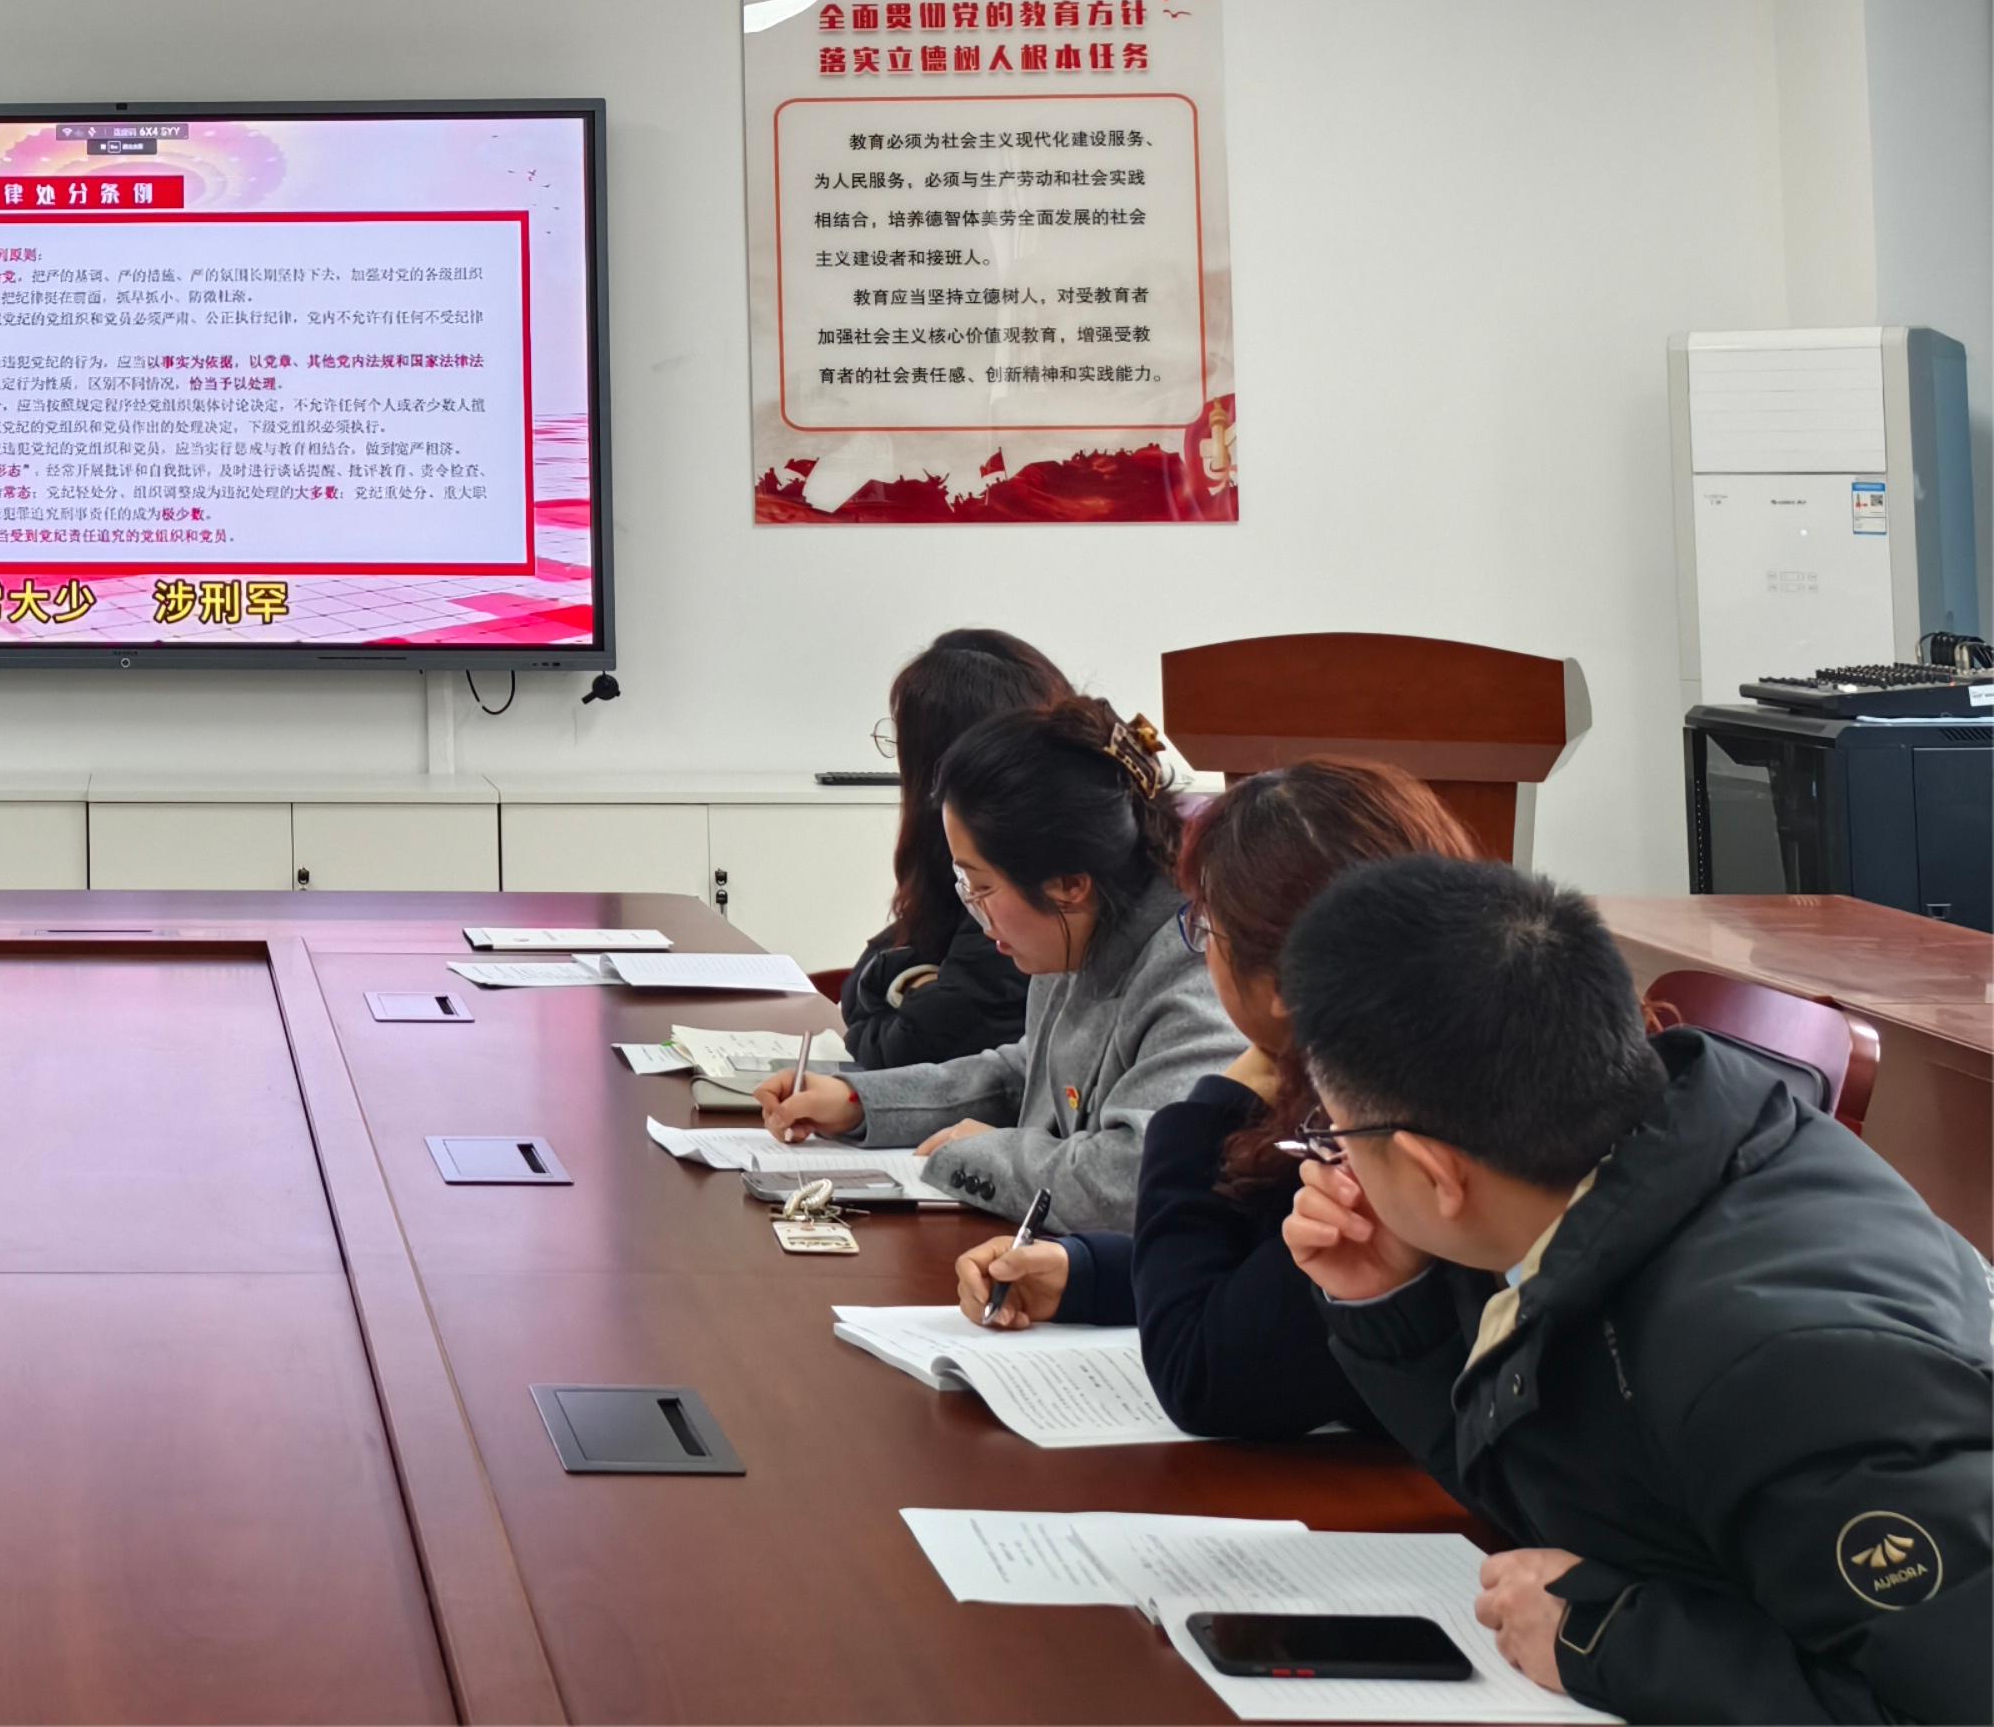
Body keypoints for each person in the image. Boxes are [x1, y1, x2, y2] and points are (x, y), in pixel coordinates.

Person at [1278, 856, 1991, 1722]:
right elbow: (1576, 1496)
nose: (1335, 1162)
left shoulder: (1785, 1369)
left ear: (1435, 1172)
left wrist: (1605, 1640)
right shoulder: (1654, 1170)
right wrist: (1390, 1308)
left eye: (1334, 1134)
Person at [947, 759, 1474, 1439]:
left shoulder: (1382, 1146)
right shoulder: (1411, 1076)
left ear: (1285, 983)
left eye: (1207, 927)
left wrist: (1219, 1096)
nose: (1201, 951)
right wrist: (1088, 1275)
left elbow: (1201, 1374)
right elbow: (1261, 1274)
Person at [756, 697, 1238, 1229]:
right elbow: (1028, 1073)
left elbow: (1132, 1181)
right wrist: (862, 1102)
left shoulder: (1199, 974)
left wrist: (984, 1155)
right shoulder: (1084, 927)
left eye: (981, 886)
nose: (973, 909)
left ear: (1069, 885)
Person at [835, 629, 1073, 1066]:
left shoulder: (1024, 888)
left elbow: (913, 1047)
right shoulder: (974, 874)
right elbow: (868, 982)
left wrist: (888, 990)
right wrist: (908, 982)